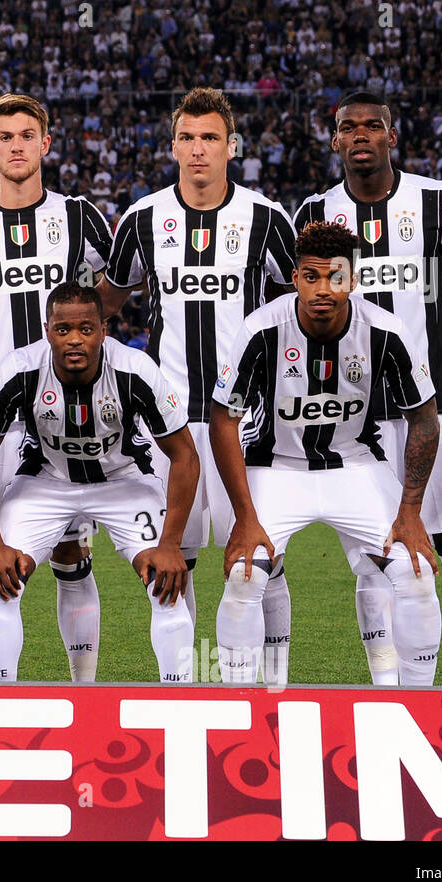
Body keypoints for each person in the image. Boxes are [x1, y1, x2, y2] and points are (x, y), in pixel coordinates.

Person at [294, 90, 442, 686]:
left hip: (440, 407)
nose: (362, 135)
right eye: (351, 127)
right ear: (336, 139)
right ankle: (387, 696)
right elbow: (305, 313)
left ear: (391, 137)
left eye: (374, 126)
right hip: (358, 420)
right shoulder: (317, 215)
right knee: (376, 565)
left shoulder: (439, 202)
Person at [106, 87, 299, 682]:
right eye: (187, 138)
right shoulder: (142, 219)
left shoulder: (266, 218)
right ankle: (184, 691)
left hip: (243, 420)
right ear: (173, 147)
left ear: (231, 147)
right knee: (173, 562)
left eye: (210, 138)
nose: (198, 150)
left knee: (259, 560)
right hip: (167, 424)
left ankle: (271, 688)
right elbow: (106, 304)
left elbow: (303, 301)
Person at [0, 93, 115, 682]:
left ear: (45, 144)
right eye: (3, 136)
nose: (15, 145)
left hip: (64, 413)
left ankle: (82, 688)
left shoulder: (80, 217)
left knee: (69, 551)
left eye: (26, 135)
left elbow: (107, 300)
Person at [210, 220, 442, 685]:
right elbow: (224, 420)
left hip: (354, 464)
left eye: (336, 277)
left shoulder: (385, 331)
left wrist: (411, 514)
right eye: (311, 277)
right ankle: (239, 702)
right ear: (294, 278)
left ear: (353, 281)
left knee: (414, 572)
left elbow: (424, 418)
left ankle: (417, 705)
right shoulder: (261, 330)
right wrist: (245, 515)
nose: (323, 289)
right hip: (275, 468)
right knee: (244, 576)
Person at [0, 282, 199, 682]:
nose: (75, 339)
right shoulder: (19, 369)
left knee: (166, 583)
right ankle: (1, 701)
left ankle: (177, 700)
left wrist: (170, 543)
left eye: (86, 329)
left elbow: (184, 454)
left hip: (123, 481)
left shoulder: (135, 369)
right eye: (63, 329)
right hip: (45, 483)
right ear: (47, 330)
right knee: (1, 583)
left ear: (103, 330)